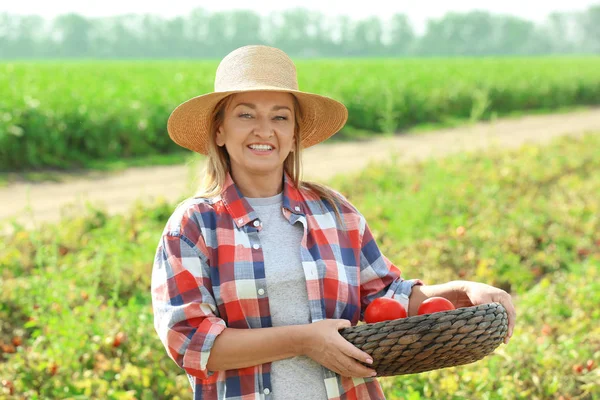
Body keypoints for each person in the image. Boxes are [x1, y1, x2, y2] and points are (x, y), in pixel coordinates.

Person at [150, 45, 516, 400]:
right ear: (219, 132)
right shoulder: (194, 226)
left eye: (280, 117)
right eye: (246, 115)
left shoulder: (335, 212)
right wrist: (305, 340)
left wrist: (459, 291)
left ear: (294, 135)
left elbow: (385, 298)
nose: (264, 130)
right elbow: (191, 341)